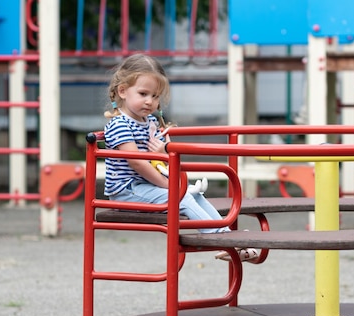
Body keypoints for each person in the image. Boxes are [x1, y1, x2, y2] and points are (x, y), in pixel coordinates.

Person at [102, 54, 259, 262]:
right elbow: (136, 161)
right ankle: (221, 241)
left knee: (194, 194)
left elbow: (158, 158)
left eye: (156, 96)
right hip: (126, 190)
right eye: (143, 94)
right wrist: (169, 185)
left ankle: (226, 234)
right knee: (181, 197)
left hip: (145, 185)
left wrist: (162, 154)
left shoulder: (148, 121)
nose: (150, 101)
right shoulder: (120, 125)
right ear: (122, 91)